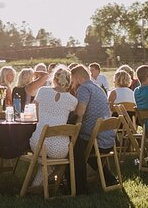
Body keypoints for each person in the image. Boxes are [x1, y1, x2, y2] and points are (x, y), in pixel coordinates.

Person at [27, 65, 78, 187]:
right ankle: (39, 184)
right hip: (60, 149)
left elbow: (38, 118)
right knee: (48, 157)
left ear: (53, 79)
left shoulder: (42, 91)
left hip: (39, 144)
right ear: (69, 82)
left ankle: (37, 185)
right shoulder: (73, 100)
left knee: (43, 150)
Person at [70, 64, 116, 194]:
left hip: (96, 141)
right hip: (108, 139)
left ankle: (78, 187)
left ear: (78, 79)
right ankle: (108, 177)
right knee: (83, 147)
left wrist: (74, 131)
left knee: (72, 146)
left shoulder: (84, 89)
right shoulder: (97, 87)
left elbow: (79, 114)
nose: (72, 85)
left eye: (72, 81)